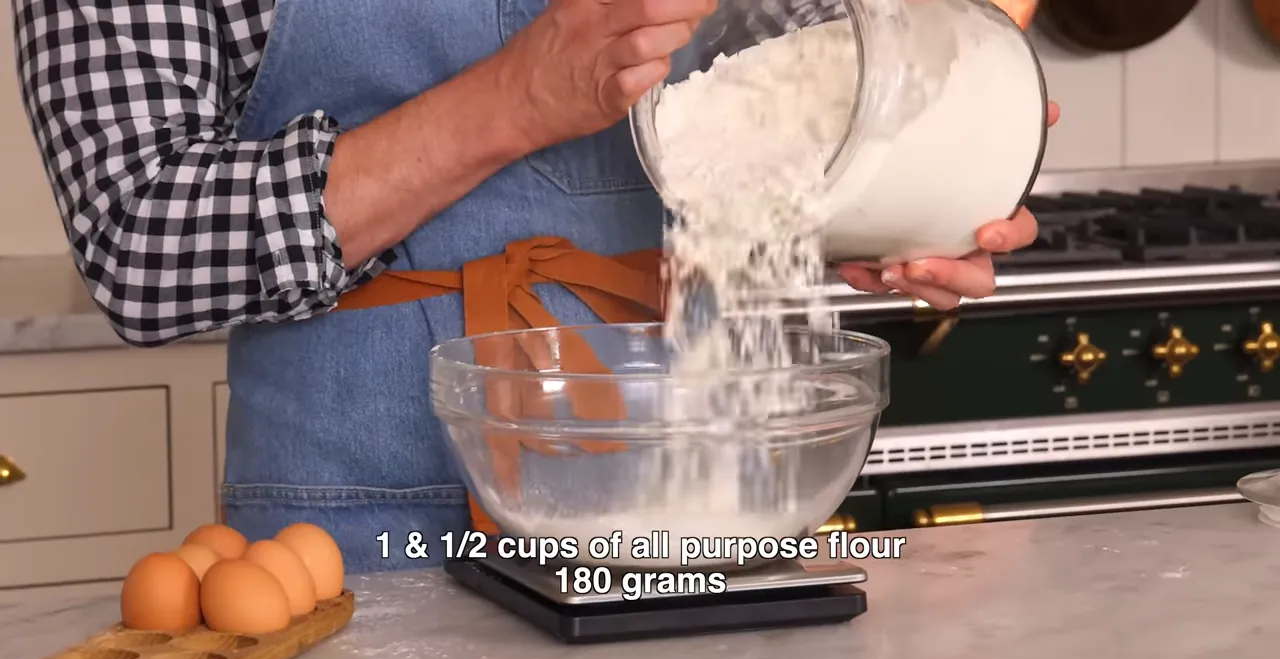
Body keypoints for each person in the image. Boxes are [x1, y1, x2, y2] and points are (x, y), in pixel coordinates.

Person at [14, 0, 1058, 573]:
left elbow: (818, 84)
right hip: (368, 537)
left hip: (706, 514)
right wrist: (515, 97)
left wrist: (899, 189)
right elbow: (139, 247)